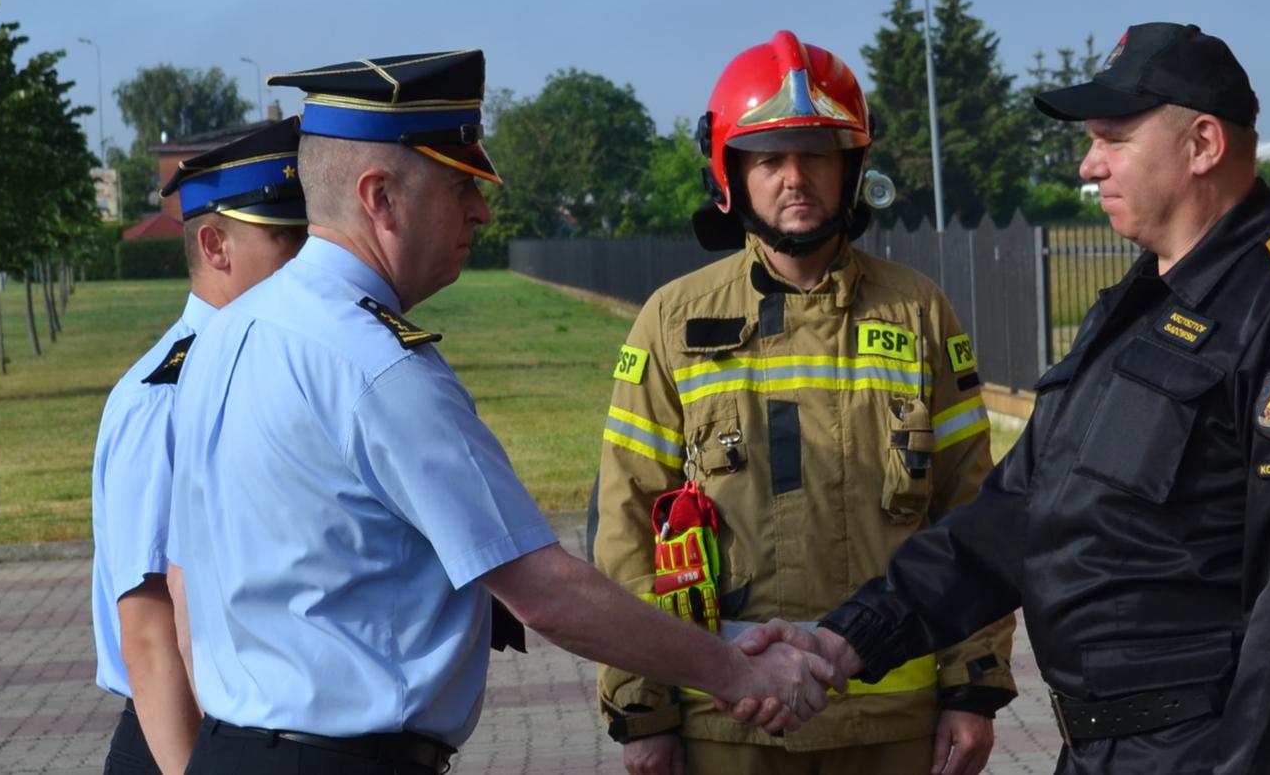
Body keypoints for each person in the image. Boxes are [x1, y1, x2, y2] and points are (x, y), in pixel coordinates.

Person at [735, 22, 1270, 774]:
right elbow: (1013, 518)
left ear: (1203, 144)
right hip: (1103, 750)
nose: (1089, 164)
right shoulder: (1135, 310)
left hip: (1205, 751)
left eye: (1113, 138)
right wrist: (845, 639)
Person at [163, 49, 837, 775]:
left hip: (229, 748)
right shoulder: (376, 365)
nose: (482, 209)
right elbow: (546, 592)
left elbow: (182, 575)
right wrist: (738, 672)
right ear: (380, 197)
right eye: (461, 187)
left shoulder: (222, 335)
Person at [592, 30, 1016, 775]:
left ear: (852, 168)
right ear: (732, 175)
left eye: (817, 155)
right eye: (770, 158)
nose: (796, 178)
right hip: (726, 723)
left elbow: (971, 511)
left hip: (894, 721)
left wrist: (972, 690)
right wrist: (642, 709)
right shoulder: (673, 319)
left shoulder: (918, 312)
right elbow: (629, 519)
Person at [89, 118, 310, 774]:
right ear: (214, 245)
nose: (310, 256)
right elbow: (150, 635)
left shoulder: (275, 369)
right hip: (179, 735)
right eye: (287, 238)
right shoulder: (162, 397)